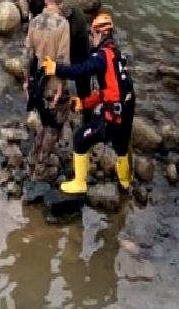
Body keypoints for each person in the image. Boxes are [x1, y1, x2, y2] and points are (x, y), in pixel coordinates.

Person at [41, 10, 135, 195]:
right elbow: (110, 90)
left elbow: (81, 70)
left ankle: (79, 183)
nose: (91, 38)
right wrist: (85, 103)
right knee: (122, 147)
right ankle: (125, 181)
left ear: (101, 33)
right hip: (126, 114)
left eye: (93, 34)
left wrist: (56, 68)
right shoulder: (117, 55)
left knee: (80, 139)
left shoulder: (102, 57)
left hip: (112, 118)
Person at [23, 0, 70, 159]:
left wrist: (26, 81)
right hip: (53, 83)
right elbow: (63, 59)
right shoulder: (63, 25)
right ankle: (41, 162)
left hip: (37, 81)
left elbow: (27, 55)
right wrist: (60, 88)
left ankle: (34, 155)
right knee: (55, 122)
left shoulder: (34, 22)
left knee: (42, 117)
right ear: (60, 3)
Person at [64, 0, 91, 100]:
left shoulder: (76, 23)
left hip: (80, 54)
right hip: (78, 52)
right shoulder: (75, 11)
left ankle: (86, 105)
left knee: (82, 83)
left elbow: (69, 37)